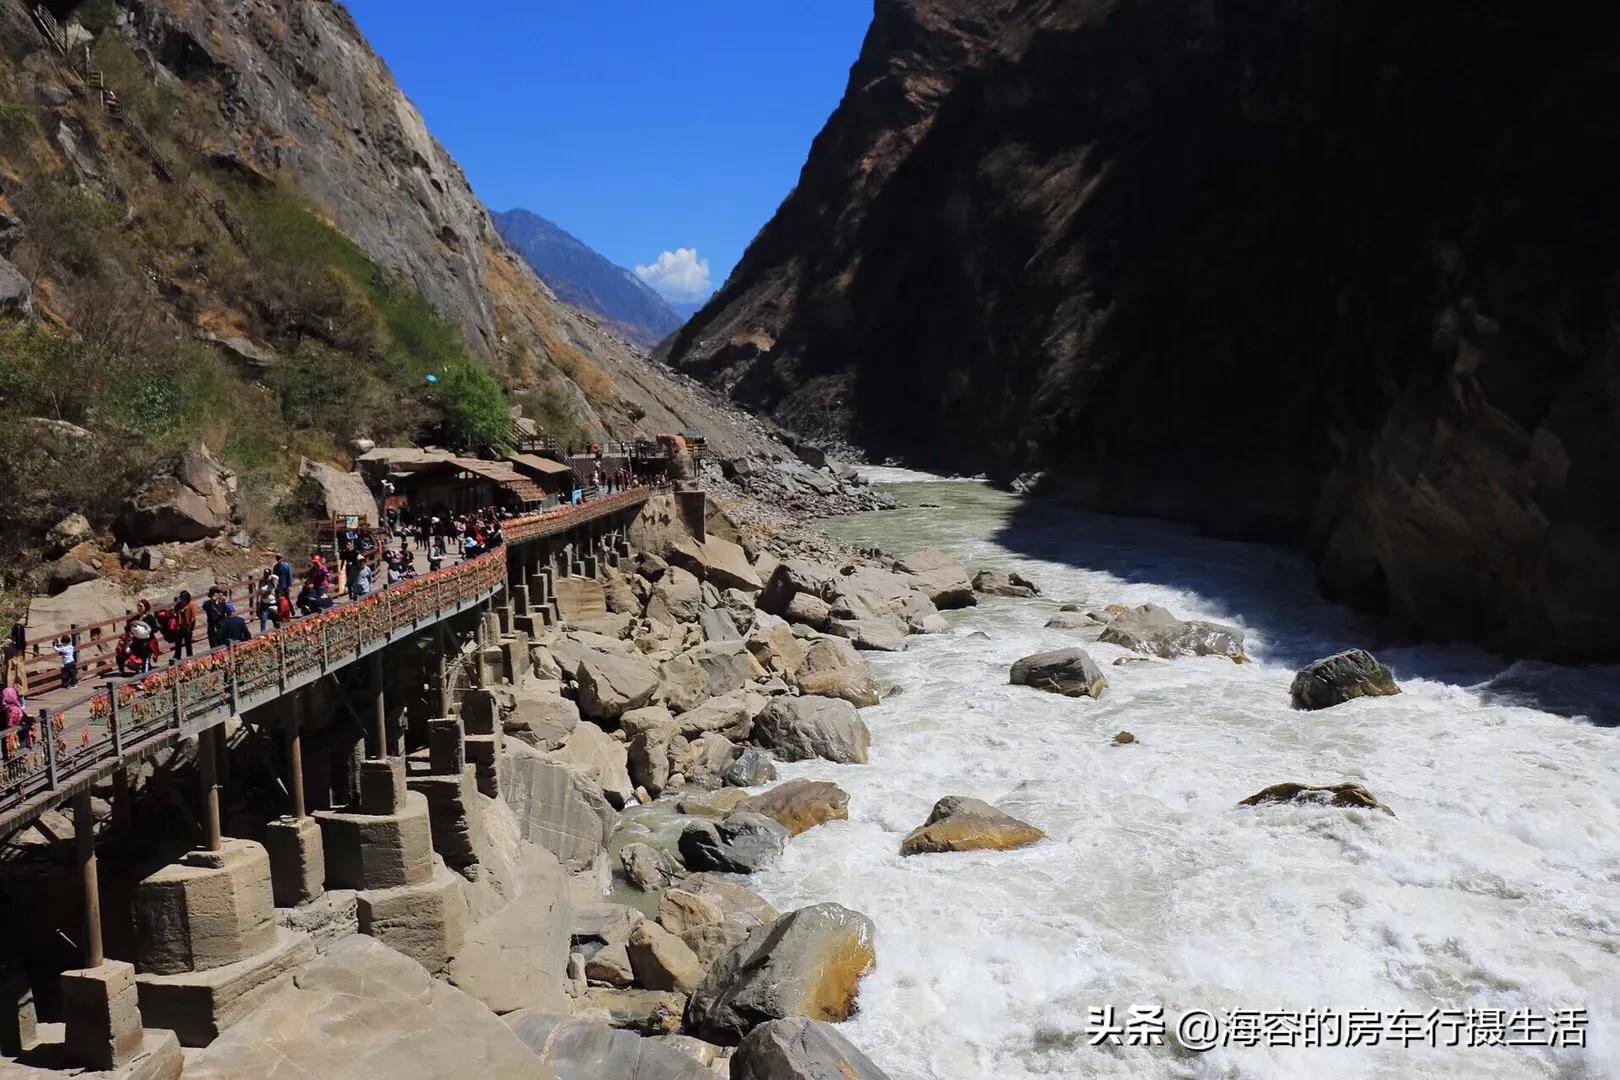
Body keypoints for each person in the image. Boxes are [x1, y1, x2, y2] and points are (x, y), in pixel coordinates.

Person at [173, 591, 196, 661]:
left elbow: (193, 618)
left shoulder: (191, 606)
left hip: (188, 628)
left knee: (188, 644)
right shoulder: (178, 605)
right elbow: (176, 614)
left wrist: (189, 627)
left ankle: (190, 658)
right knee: (178, 644)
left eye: (182, 598)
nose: (181, 600)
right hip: (180, 627)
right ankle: (177, 658)